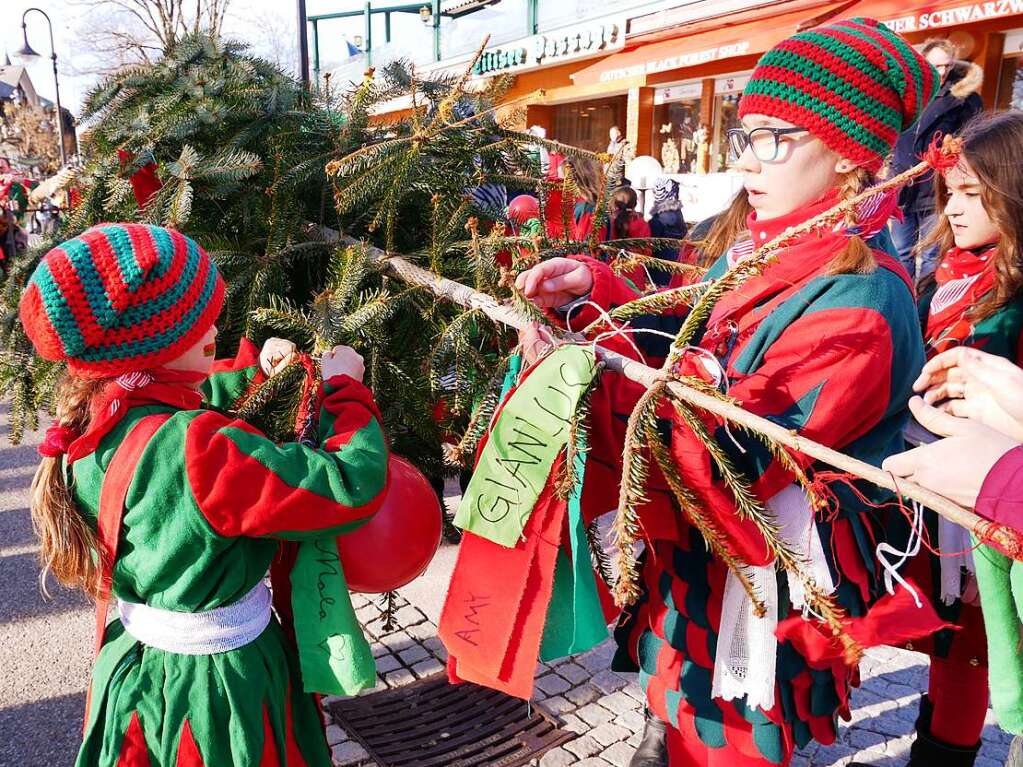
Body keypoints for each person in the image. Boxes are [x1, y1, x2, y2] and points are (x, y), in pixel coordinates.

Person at [515, 18, 941, 767]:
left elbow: (733, 446)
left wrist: (592, 377)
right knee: (677, 710)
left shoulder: (862, 299)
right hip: (698, 562)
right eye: (743, 135)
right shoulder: (763, 246)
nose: (748, 159)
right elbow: (697, 323)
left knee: (729, 744)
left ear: (849, 153)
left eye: (774, 137)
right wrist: (600, 293)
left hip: (758, 582)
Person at [22, 223, 389, 766]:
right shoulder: (200, 452)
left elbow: (184, 397)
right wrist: (342, 389)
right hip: (221, 692)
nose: (216, 327)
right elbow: (347, 485)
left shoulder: (92, 418)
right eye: (203, 325)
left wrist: (256, 375)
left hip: (138, 671)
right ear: (160, 345)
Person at [864, 109, 1023, 767]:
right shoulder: (948, 273)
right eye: (947, 192)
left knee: (976, 637)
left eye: (970, 190)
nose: (954, 207)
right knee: (948, 630)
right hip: (941, 487)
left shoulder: (1012, 288)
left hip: (997, 501)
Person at [890, 38, 983, 284]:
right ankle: (905, 303)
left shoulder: (963, 99)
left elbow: (970, 141)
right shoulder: (908, 95)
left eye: (946, 66)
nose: (941, 72)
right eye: (936, 66)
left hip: (936, 187)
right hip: (902, 187)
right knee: (901, 251)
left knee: (932, 254)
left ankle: (924, 309)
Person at [647, 177, 688, 286]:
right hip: (676, 266)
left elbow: (651, 245)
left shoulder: (658, 220)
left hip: (660, 268)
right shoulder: (678, 214)